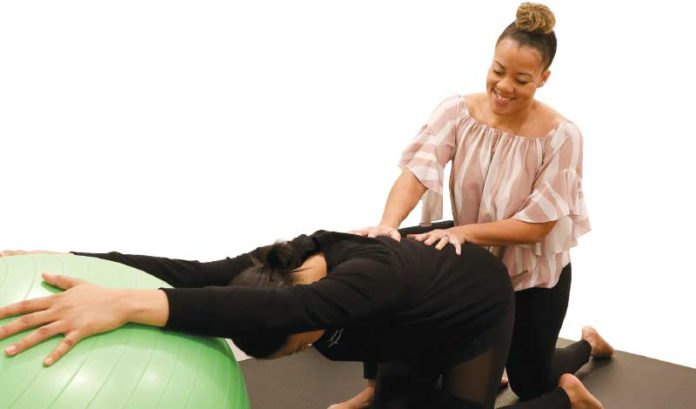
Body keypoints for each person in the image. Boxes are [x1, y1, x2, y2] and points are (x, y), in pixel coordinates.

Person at [346, 3, 612, 409]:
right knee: (391, 261)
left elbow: (537, 226)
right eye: (497, 70)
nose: (504, 86)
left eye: (521, 79)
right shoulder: (457, 111)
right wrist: (389, 223)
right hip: (472, 259)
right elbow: (417, 170)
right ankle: (374, 390)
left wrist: (462, 231)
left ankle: (588, 347)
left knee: (533, 381)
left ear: (544, 78)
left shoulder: (562, 136)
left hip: (530, 274)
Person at [1, 230, 518, 409]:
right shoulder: (277, 267)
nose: (304, 351)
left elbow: (283, 312)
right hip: (404, 320)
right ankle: (383, 388)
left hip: (472, 306)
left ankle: (549, 387)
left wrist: (124, 303)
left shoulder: (362, 282)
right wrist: (71, 258)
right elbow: (190, 273)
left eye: (296, 347)